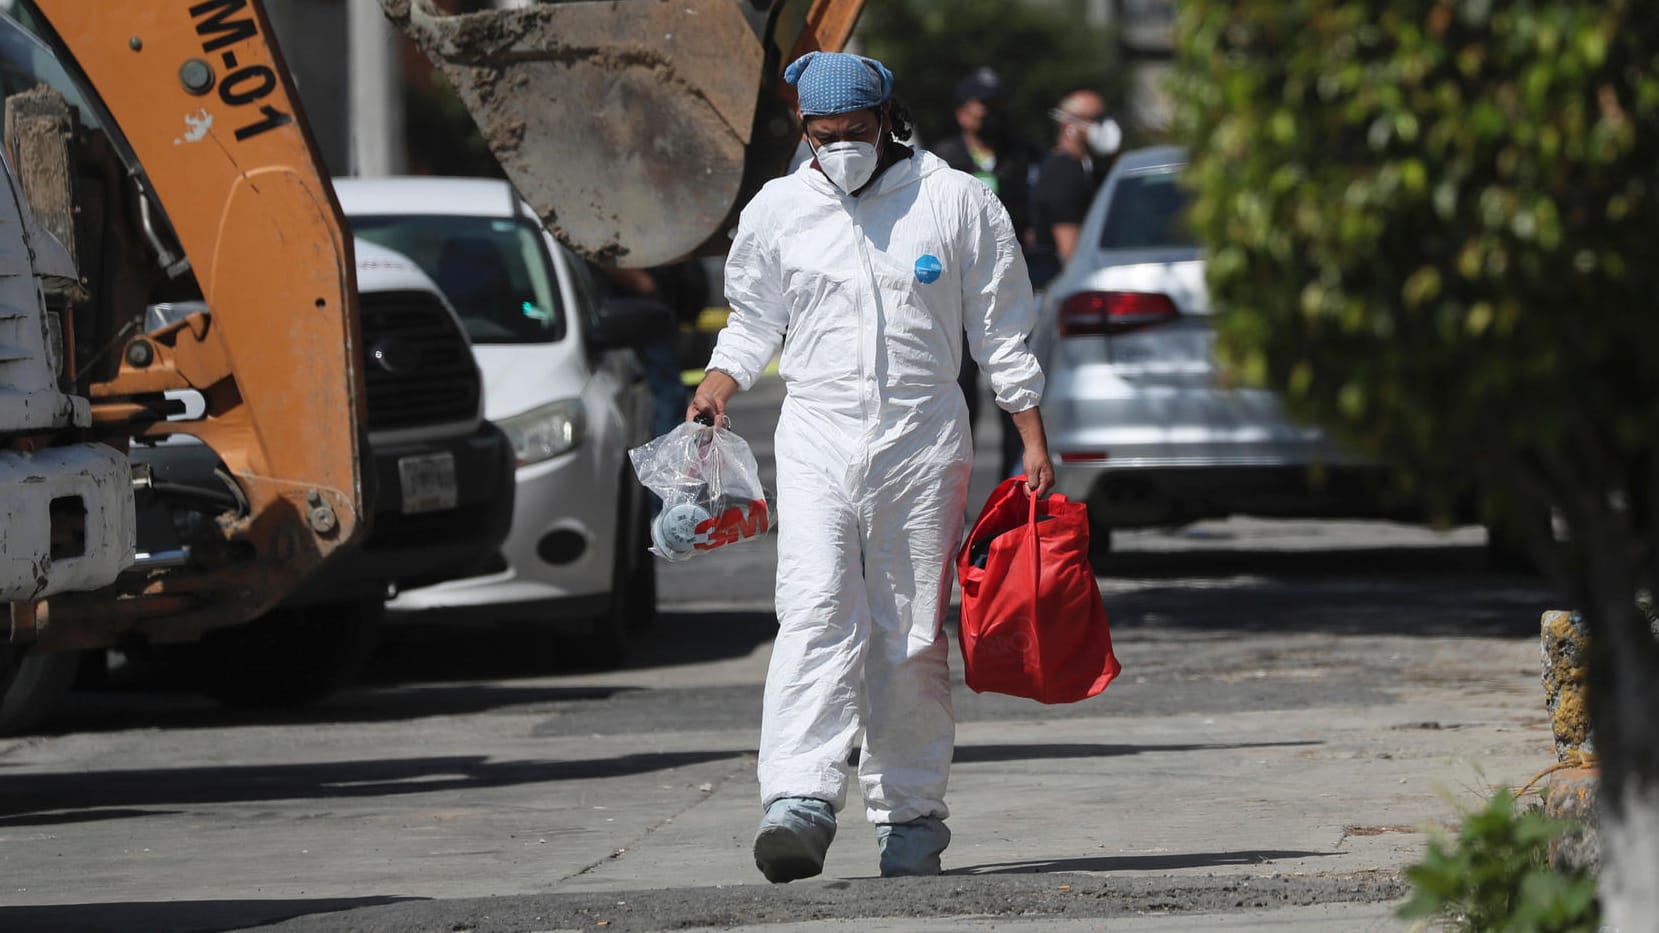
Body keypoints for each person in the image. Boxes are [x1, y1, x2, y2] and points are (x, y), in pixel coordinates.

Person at [687, 51, 1055, 884]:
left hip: (923, 439)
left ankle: (910, 817)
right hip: (817, 430)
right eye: (826, 136)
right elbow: (752, 320)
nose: (843, 148)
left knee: (910, 632)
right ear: (803, 132)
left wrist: (1030, 434)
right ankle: (798, 799)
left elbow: (1000, 331)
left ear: (889, 119)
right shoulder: (779, 209)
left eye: (857, 132)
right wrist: (719, 380)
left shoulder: (956, 201)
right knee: (814, 609)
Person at [929, 67, 1043, 479]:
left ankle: (1016, 481)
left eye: (996, 108)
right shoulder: (942, 162)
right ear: (962, 113)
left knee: (1014, 384)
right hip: (954, 292)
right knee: (959, 394)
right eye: (982, 109)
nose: (990, 117)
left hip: (1007, 287)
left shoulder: (1025, 156)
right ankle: (954, 482)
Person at [1028, 90, 1122, 291]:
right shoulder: (1064, 173)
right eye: (1096, 119)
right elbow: (1070, 251)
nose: (1105, 126)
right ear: (1068, 125)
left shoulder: (1083, 168)